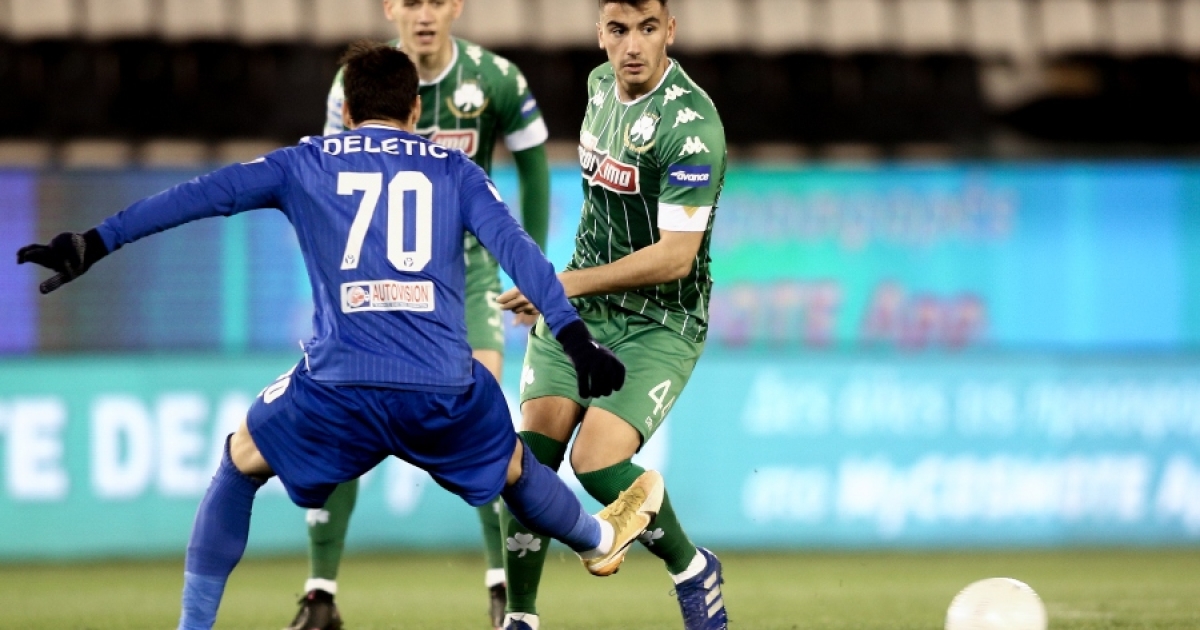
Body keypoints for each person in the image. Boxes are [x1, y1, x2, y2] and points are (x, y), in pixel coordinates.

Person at [16, 42, 660, 630]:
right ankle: (601, 541)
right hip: (442, 387)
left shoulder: (303, 162)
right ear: (415, 111)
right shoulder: (455, 170)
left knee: (241, 460)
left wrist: (97, 240)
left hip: (337, 386)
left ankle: (193, 627)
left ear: (346, 111)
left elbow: (202, 195)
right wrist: (573, 339)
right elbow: (517, 250)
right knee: (516, 467)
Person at [305, 1, 551, 626]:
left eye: (436, 0)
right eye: (410, 1)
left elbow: (535, 169)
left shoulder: (496, 79)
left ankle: (501, 587)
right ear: (390, 7)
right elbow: (330, 182)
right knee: (344, 417)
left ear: (456, 6)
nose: (423, 14)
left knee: (482, 419)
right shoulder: (356, 85)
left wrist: (531, 270)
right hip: (381, 278)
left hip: (466, 273)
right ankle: (320, 592)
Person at [494, 1, 729, 629]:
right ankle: (520, 618)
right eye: (619, 30)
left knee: (596, 464)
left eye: (648, 29)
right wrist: (564, 292)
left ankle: (691, 569)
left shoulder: (693, 127)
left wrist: (558, 285)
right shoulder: (599, 86)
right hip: (582, 307)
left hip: (661, 320)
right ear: (600, 32)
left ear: (670, 30)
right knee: (526, 462)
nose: (633, 46)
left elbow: (676, 257)